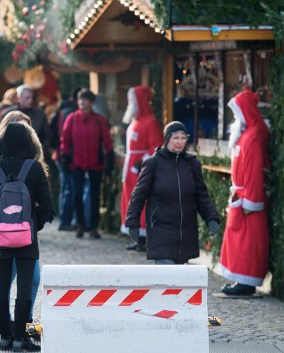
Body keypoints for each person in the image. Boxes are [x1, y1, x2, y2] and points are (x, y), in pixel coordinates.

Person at [0, 122, 53, 352]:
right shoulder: (34, 168)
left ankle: (5, 337)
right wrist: (32, 225)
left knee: (1, 285)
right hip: (26, 237)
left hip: (0, 236)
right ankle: (21, 337)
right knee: (24, 286)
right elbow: (48, 207)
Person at [125, 122, 220, 264]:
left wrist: (211, 218)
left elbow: (201, 195)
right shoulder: (153, 163)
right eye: (176, 138)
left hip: (185, 233)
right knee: (167, 276)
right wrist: (133, 222)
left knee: (180, 279)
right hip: (161, 231)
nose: (180, 142)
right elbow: (138, 195)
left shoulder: (192, 163)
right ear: (167, 138)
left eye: (183, 138)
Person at [220, 90, 270, 296]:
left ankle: (246, 281)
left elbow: (254, 172)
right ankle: (240, 277)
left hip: (247, 199)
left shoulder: (253, 137)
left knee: (247, 242)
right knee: (239, 241)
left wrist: (250, 200)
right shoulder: (246, 135)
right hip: (240, 196)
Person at [60, 89, 113, 239]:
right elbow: (65, 139)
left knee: (95, 195)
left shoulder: (99, 120)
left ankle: (94, 226)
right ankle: (80, 224)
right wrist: (65, 156)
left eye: (85, 99)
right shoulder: (71, 118)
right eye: (80, 99)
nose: (82, 102)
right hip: (77, 162)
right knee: (77, 194)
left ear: (92, 102)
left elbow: (107, 141)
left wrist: (109, 158)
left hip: (95, 162)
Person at [120, 86, 164, 251]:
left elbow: (157, 147)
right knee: (132, 201)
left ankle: (146, 237)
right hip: (131, 168)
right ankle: (137, 236)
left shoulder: (151, 122)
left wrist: (144, 162)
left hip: (141, 169)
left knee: (143, 201)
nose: (129, 103)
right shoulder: (134, 121)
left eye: (132, 100)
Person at [50, 87, 83, 231]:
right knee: (69, 188)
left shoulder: (61, 111)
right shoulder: (71, 113)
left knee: (66, 188)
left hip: (60, 154)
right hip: (66, 156)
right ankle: (66, 221)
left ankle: (65, 220)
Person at [3, 85, 49, 154]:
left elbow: (47, 135)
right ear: (19, 98)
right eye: (27, 98)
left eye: (31, 97)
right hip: (12, 155)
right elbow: (1, 134)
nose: (30, 100)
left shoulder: (40, 114)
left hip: (35, 154)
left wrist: (41, 151)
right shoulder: (9, 114)